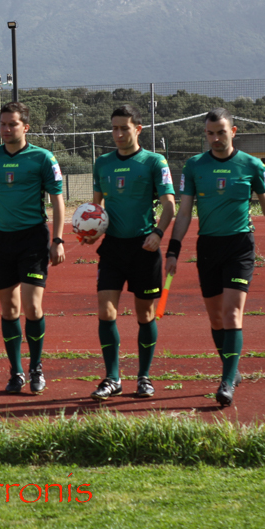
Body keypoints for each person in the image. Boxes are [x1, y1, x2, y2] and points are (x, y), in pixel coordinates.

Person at [165, 108, 265, 407]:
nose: (215, 138)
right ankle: (232, 369)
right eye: (210, 133)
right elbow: (184, 213)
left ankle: (225, 381)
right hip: (208, 247)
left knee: (232, 313)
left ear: (233, 132)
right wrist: (173, 250)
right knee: (216, 317)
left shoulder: (252, 165)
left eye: (221, 132)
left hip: (240, 247)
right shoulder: (194, 166)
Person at [82, 104, 176, 401]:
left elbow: (170, 206)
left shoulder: (154, 161)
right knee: (105, 311)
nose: (118, 133)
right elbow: (96, 208)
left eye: (124, 128)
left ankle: (144, 377)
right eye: (114, 128)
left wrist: (158, 234)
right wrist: (91, 232)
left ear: (138, 129)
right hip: (112, 249)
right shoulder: (102, 163)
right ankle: (112, 378)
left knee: (145, 315)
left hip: (144, 248)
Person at [0, 102, 65, 395]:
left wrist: (58, 240)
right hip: (1, 241)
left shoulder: (43, 158)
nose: (6, 129)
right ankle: (16, 372)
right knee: (9, 309)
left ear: (25, 127)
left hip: (33, 240)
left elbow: (57, 200)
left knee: (32, 307)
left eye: (12, 124)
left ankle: (36, 368)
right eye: (2, 124)